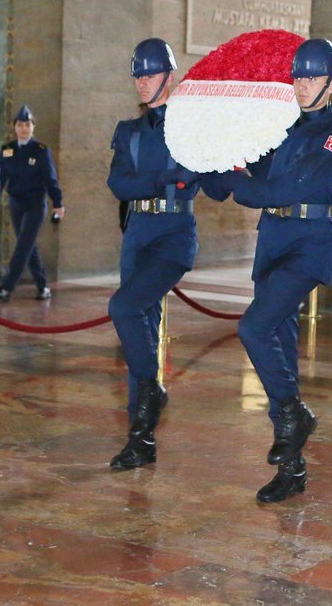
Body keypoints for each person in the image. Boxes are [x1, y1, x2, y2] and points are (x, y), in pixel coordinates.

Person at [204, 38, 332, 502]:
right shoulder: (282, 127)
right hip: (273, 243)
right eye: (298, 77)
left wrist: (237, 184)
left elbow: (278, 188)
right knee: (279, 350)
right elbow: (243, 171)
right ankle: (292, 466)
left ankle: (294, 415)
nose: (303, 85)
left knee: (255, 327)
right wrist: (207, 162)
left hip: (308, 246)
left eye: (312, 77)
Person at [104, 38, 200, 473]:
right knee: (139, 329)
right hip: (137, 231)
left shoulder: (189, 127)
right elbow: (119, 185)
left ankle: (151, 391)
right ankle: (140, 438)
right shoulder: (128, 130)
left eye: (150, 74)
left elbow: (195, 182)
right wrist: (163, 178)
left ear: (170, 76)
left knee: (123, 308)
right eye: (138, 76)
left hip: (174, 235)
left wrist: (164, 180)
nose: (143, 82)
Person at [0, 105, 64, 302]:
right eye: (20, 125)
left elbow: (51, 179)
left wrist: (58, 202)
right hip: (16, 203)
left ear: (33, 127)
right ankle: (43, 286)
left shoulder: (40, 150)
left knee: (23, 245)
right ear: (14, 127)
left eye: (28, 124)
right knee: (28, 246)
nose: (24, 128)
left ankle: (7, 287)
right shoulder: (7, 150)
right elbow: (0, 179)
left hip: (35, 204)